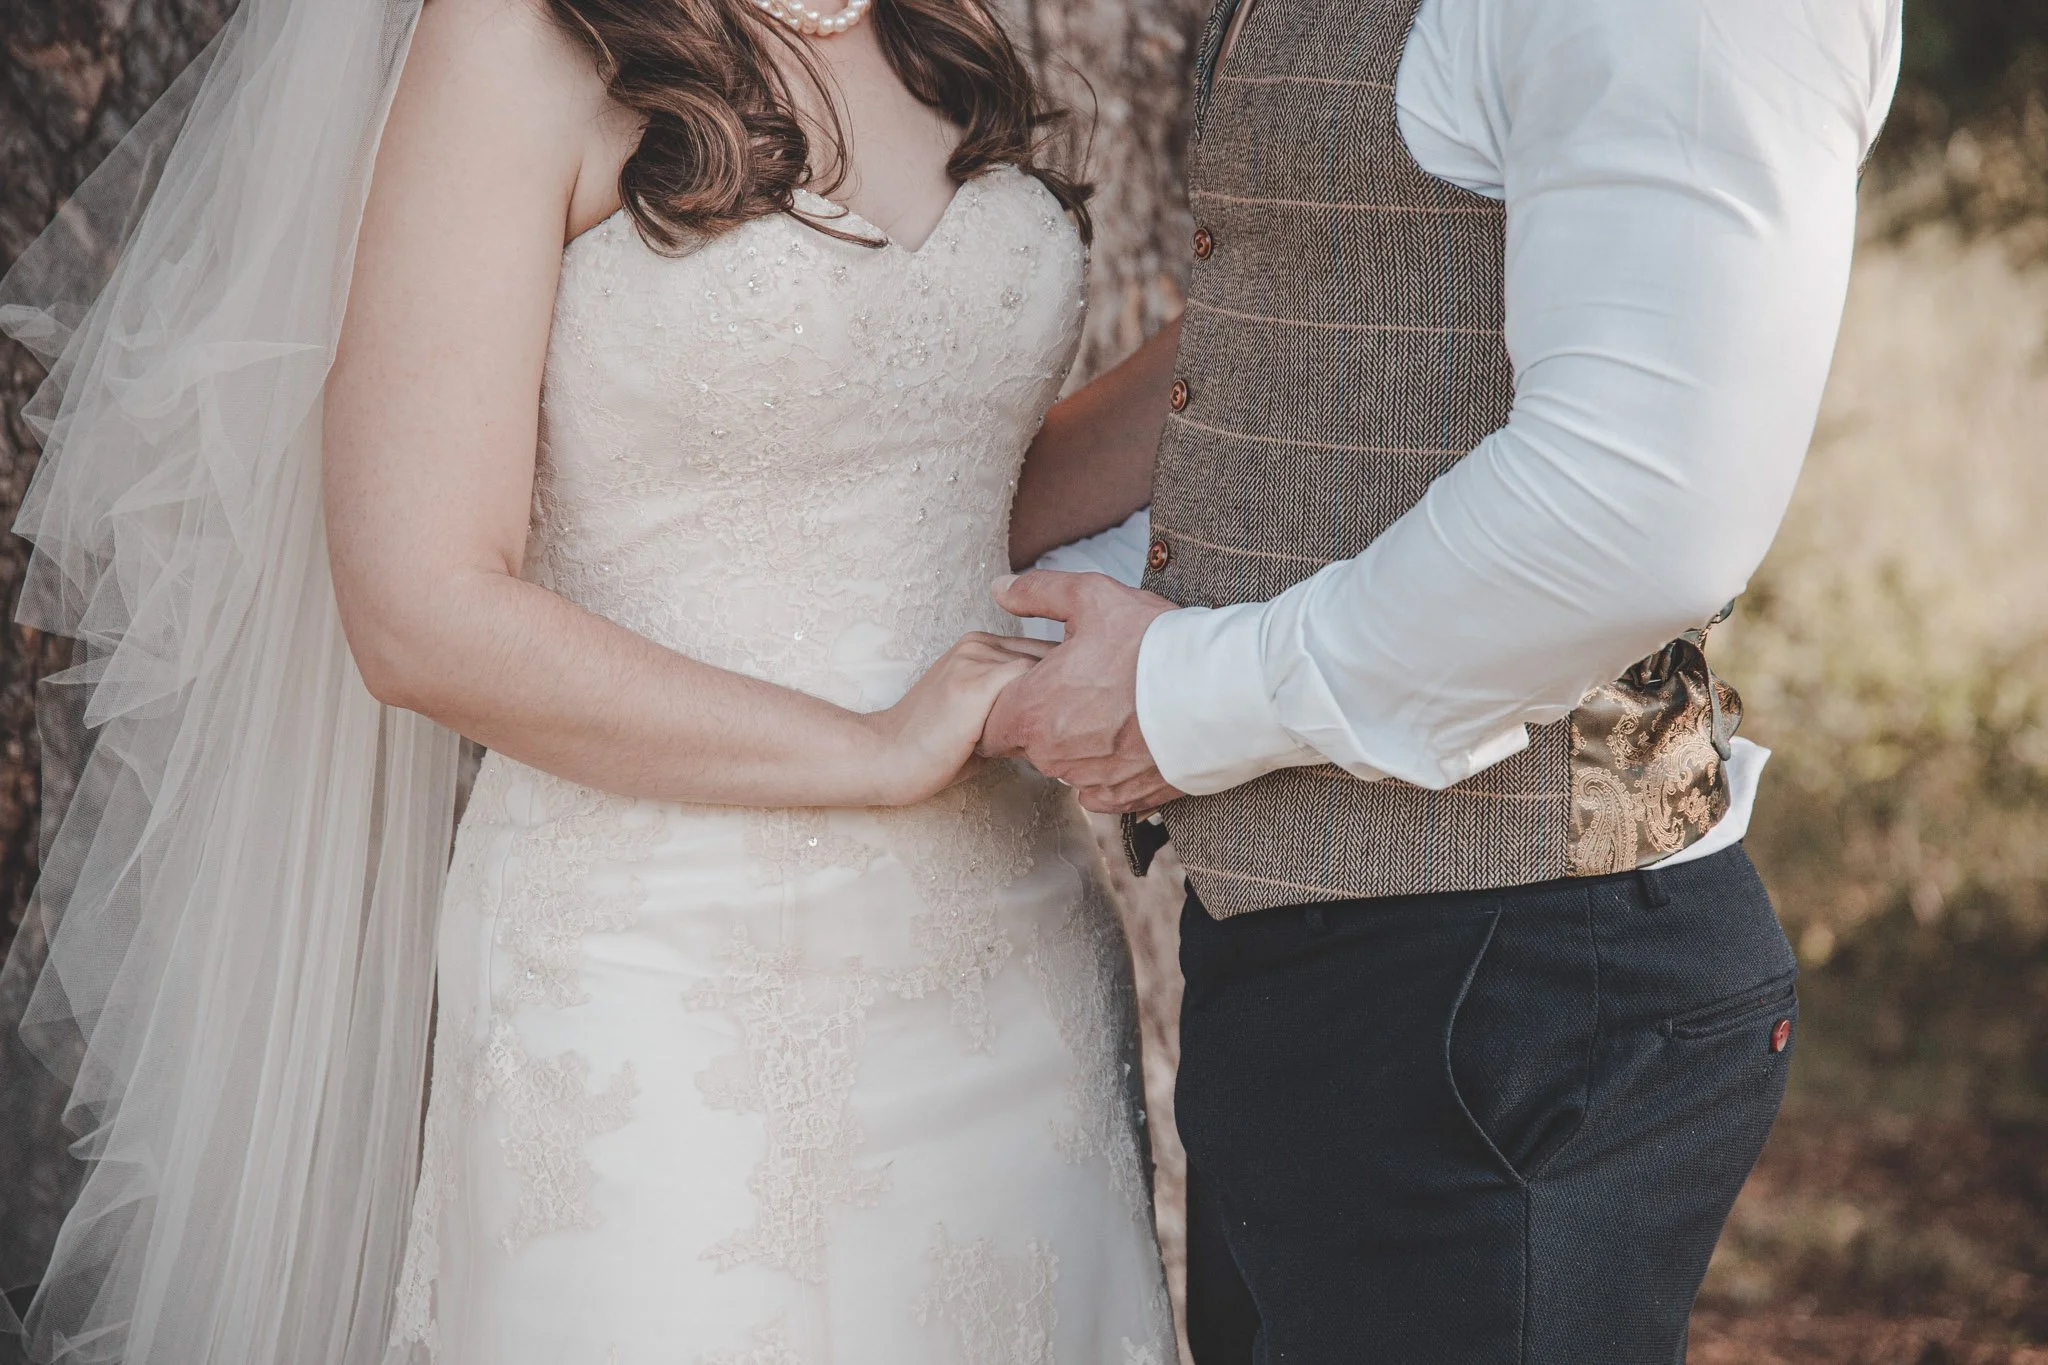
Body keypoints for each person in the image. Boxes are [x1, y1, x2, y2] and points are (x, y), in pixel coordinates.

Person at [0, 0, 1172, 1359]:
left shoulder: (936, 19)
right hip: (658, 981)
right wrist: (871, 748)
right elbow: (421, 608)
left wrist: (1303, 310)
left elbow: (938, 492)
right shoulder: (514, 38)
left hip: (1009, 973)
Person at [986, 0, 1906, 1359]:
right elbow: (1326, 340)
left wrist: (1177, 697)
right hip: (1332, 977)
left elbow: (1634, 513)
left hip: (1514, 997)